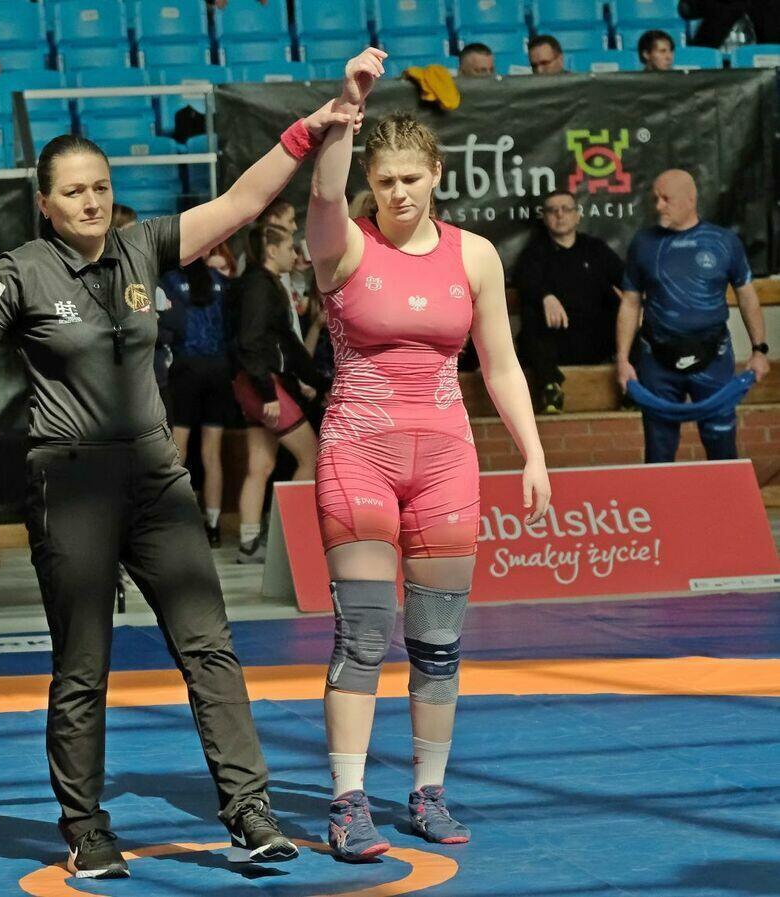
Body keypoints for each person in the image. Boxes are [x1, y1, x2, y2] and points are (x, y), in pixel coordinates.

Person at [0, 62, 372, 876]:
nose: (92, 201)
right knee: (83, 665)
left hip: (158, 478)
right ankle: (86, 827)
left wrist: (312, 130)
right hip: (71, 483)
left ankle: (249, 810)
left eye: (100, 187)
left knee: (210, 646)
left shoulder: (142, 245)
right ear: (45, 203)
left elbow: (241, 203)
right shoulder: (21, 270)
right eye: (74, 192)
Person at [306, 53, 552, 861]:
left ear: (438, 174)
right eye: (384, 181)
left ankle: (428, 791)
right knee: (363, 632)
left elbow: (501, 364)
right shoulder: (343, 245)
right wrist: (347, 107)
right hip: (359, 453)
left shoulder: (475, 255)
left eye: (411, 178)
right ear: (368, 182)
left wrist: (533, 453)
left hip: (447, 459)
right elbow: (321, 196)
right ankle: (348, 800)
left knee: (439, 641)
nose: (399, 193)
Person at [617, 169, 770, 462]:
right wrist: (623, 360)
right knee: (658, 449)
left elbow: (747, 296)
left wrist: (759, 350)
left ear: (690, 199)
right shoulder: (643, 243)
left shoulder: (724, 241)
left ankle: (724, 493)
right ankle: (660, 495)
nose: (658, 206)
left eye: (666, 199)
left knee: (721, 444)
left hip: (713, 358)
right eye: (655, 199)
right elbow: (630, 303)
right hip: (657, 360)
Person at [231, 223, 323, 563]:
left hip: (254, 382)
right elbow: (251, 341)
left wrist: (312, 381)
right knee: (310, 456)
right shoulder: (259, 286)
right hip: (259, 383)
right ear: (271, 251)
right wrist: (269, 392)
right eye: (289, 248)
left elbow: (285, 344)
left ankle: (249, 543)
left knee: (261, 464)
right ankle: (288, 540)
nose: (295, 255)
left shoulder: (264, 285)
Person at [514, 189, 624, 414]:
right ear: (545, 218)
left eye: (566, 209)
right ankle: (550, 389)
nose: (560, 215)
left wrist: (638, 306)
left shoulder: (595, 249)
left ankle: (631, 389)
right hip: (556, 342)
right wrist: (545, 296)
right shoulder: (534, 253)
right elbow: (524, 280)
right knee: (531, 315)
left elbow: (627, 279)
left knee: (627, 315)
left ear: (577, 216)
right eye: (553, 210)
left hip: (597, 338)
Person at [159, 249, 238, 546]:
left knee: (177, 449)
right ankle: (214, 526)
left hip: (185, 368)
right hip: (219, 368)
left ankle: (173, 523)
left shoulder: (169, 280)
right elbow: (230, 326)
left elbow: (167, 323)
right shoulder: (220, 280)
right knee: (211, 453)